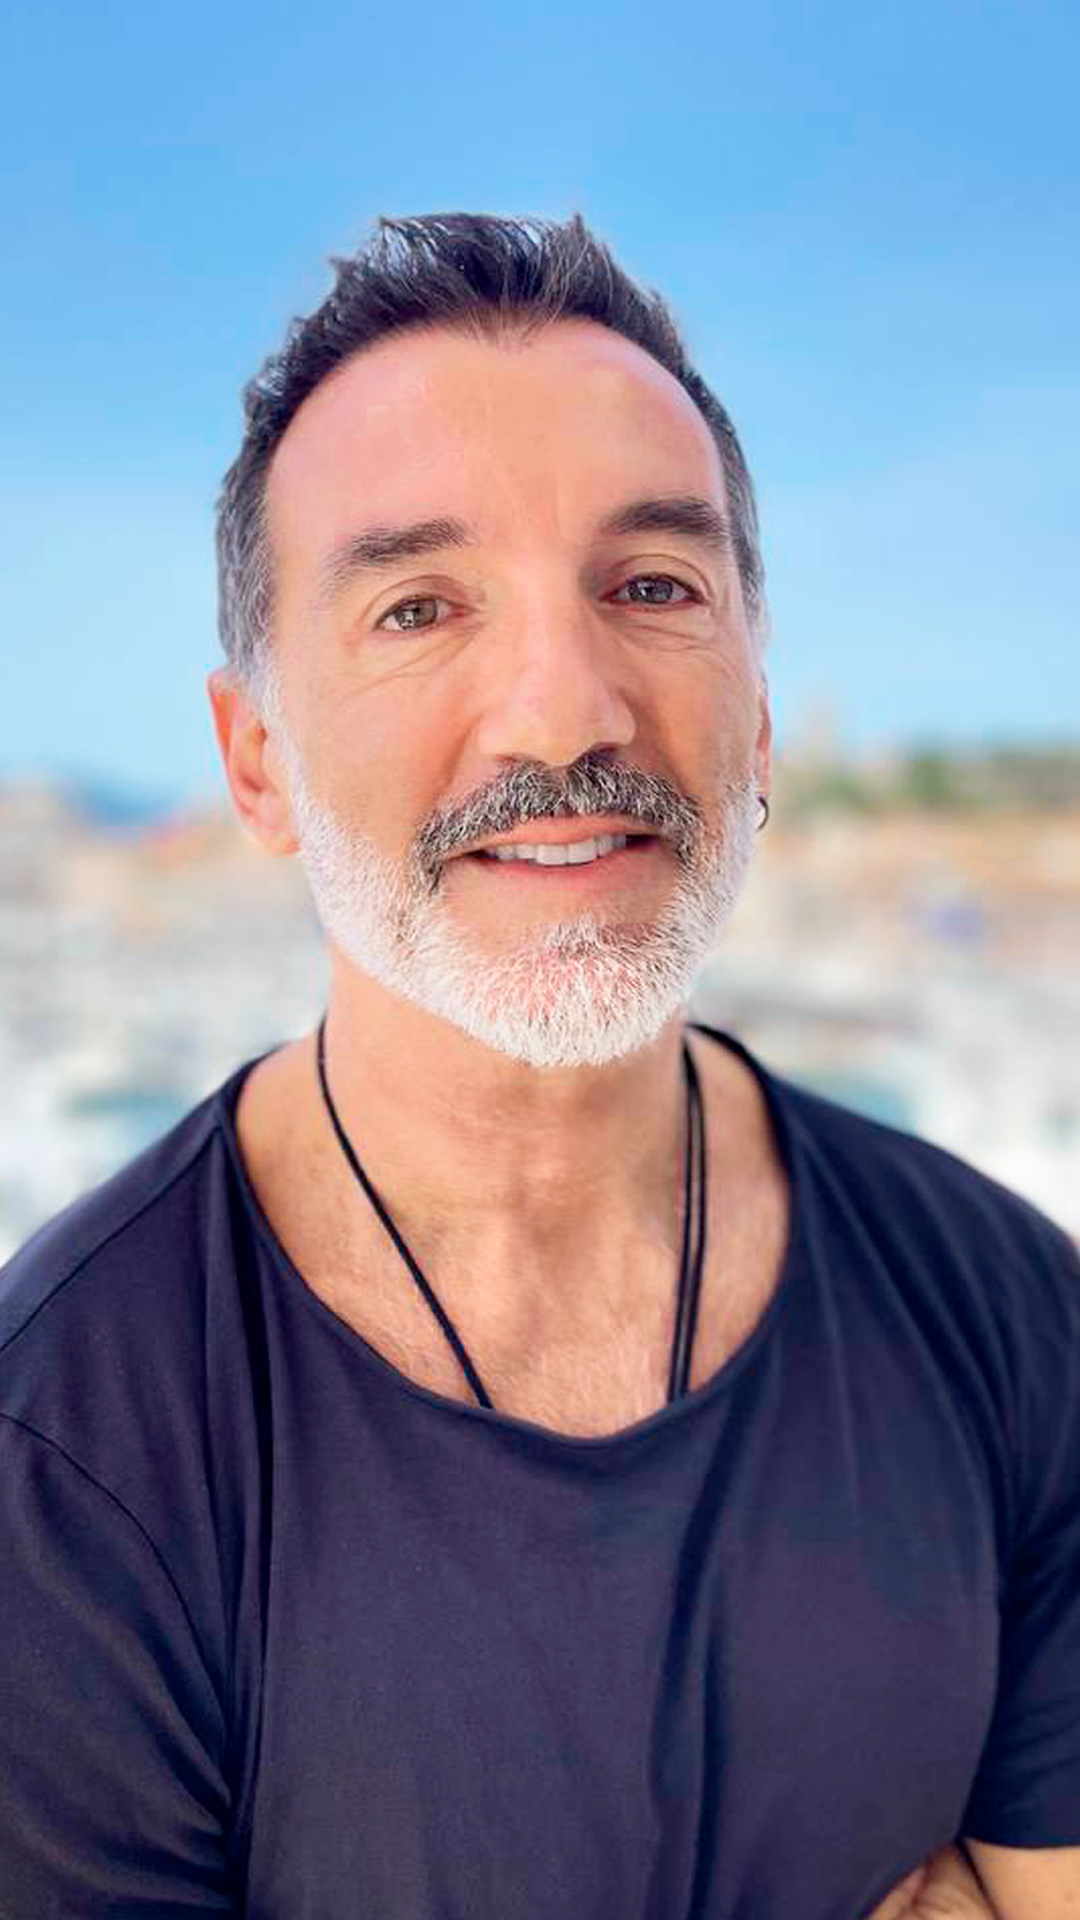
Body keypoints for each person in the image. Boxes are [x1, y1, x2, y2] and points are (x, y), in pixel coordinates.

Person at [0, 211, 1076, 1920]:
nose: (564, 713)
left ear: (761, 713)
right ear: (258, 759)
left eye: (652, 588)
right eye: (421, 606)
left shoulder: (1016, 1315)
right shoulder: (62, 1458)